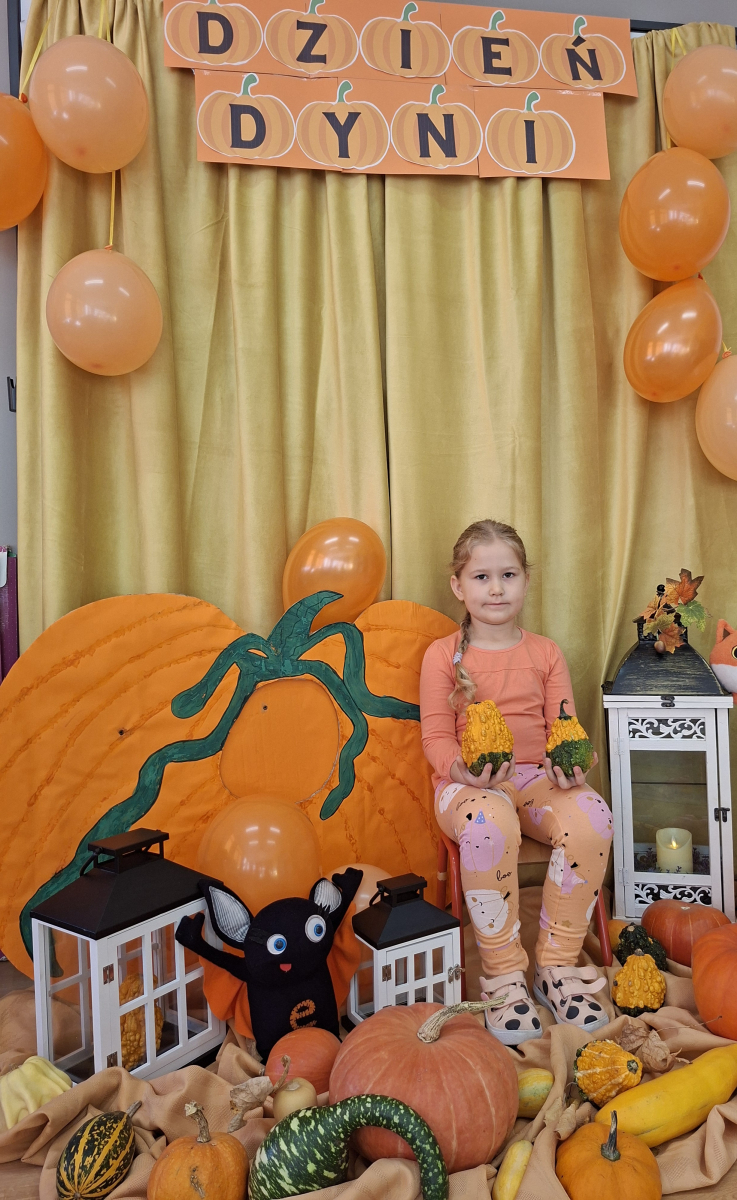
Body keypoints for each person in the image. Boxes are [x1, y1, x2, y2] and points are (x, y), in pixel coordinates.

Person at [420, 519, 612, 1045]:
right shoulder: (441, 655)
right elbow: (435, 737)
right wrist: (462, 771)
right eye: (481, 577)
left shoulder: (545, 653)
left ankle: (557, 966)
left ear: (526, 580)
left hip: (535, 778)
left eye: (508, 575)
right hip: (466, 786)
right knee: (490, 825)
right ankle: (504, 975)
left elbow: (564, 726)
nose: (496, 588)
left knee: (594, 818)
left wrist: (574, 762)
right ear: (459, 586)